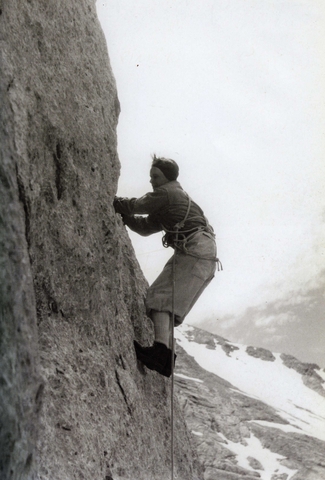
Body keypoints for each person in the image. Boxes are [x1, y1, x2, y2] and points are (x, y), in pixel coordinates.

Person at [113, 155, 221, 377]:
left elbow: (136, 206)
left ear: (167, 178)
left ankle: (160, 353)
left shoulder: (167, 193)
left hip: (194, 250)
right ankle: (166, 358)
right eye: (151, 176)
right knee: (166, 301)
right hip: (202, 254)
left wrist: (111, 201)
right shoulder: (173, 199)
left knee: (160, 297)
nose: (151, 180)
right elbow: (144, 226)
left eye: (156, 176)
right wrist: (125, 218)